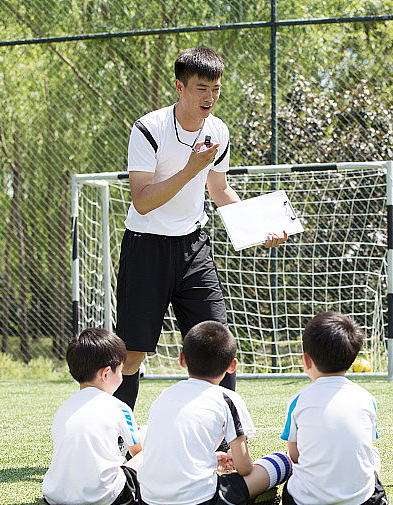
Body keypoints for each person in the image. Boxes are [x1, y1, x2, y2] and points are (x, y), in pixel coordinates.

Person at [115, 46, 287, 411]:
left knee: (217, 345)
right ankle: (119, 443)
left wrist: (261, 229)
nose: (210, 98)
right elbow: (142, 200)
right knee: (131, 354)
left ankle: (227, 445)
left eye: (216, 89)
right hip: (146, 248)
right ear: (180, 86)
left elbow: (220, 189)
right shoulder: (148, 129)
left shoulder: (219, 131)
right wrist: (192, 168)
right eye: (201, 88)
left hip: (193, 247)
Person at [137, 320, 292, 505]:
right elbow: (244, 468)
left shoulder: (164, 394)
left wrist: (211, 459)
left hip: (149, 501)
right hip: (200, 502)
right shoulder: (227, 398)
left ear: (182, 359)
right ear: (232, 366)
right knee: (281, 460)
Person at [280, 311, 388, 505]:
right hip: (363, 500)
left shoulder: (298, 400)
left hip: (305, 502)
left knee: (285, 461)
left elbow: (295, 455)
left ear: (306, 359)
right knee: (373, 453)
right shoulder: (366, 398)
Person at [42, 328, 144, 505]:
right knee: (149, 447)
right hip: (106, 495)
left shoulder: (63, 409)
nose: (121, 377)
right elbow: (137, 453)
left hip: (55, 495)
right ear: (106, 374)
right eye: (120, 370)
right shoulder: (119, 407)